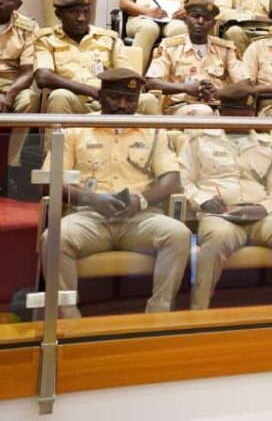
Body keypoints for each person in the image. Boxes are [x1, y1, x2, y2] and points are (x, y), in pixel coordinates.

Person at [40, 69, 189, 318]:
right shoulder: (75, 129)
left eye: (130, 99)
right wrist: (90, 199)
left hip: (139, 217)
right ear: (100, 96)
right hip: (90, 216)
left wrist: (141, 200)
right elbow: (49, 181)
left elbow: (171, 179)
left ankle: (159, 316)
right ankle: (68, 319)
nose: (122, 105)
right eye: (114, 97)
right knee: (54, 238)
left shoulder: (153, 129)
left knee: (178, 234)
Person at [180, 83, 272, 310]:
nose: (242, 120)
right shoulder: (199, 140)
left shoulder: (269, 145)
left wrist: (262, 208)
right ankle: (199, 311)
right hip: (220, 215)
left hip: (262, 216)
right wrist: (203, 201)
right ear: (221, 112)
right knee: (215, 239)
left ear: (254, 113)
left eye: (246, 113)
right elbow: (185, 181)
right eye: (235, 113)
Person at [34, 0, 159, 115]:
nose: (82, 18)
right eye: (74, 12)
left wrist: (111, 96)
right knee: (60, 96)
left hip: (111, 102)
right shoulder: (46, 40)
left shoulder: (109, 39)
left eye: (86, 12)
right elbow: (44, 77)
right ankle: (57, 130)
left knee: (148, 100)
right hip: (76, 102)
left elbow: (126, 74)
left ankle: (157, 131)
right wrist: (91, 91)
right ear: (58, 14)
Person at [145, 0, 249, 116]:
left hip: (219, 107)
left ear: (214, 23)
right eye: (195, 16)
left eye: (207, 18)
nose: (200, 21)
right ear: (186, 19)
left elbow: (245, 84)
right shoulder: (170, 47)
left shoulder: (226, 49)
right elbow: (152, 82)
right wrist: (185, 88)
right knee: (204, 112)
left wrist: (218, 92)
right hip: (181, 108)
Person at [0, 0, 40, 165]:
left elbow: (28, 71)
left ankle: (11, 164)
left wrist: (9, 94)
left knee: (29, 99)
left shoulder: (28, 28)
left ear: (18, 5)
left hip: (12, 83)